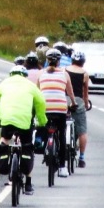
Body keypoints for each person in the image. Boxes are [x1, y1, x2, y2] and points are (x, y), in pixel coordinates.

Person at [0, 66, 47, 195]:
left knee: (5, 139)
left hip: (7, 120)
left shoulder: (4, 83)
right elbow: (41, 103)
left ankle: (3, 153)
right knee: (28, 147)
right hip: (25, 122)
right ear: (24, 75)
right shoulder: (30, 85)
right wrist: (42, 121)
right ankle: (28, 183)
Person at [38, 48, 77, 178]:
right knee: (61, 135)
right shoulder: (64, 74)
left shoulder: (41, 73)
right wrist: (73, 103)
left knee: (43, 128)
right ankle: (62, 167)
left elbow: (37, 92)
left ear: (47, 61)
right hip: (60, 108)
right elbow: (70, 93)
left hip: (45, 108)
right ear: (59, 61)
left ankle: (45, 147)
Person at [66, 50, 91, 168]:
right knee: (82, 130)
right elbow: (85, 93)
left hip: (65, 100)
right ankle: (81, 158)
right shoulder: (85, 74)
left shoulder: (64, 70)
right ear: (83, 62)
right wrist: (86, 104)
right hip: (78, 101)